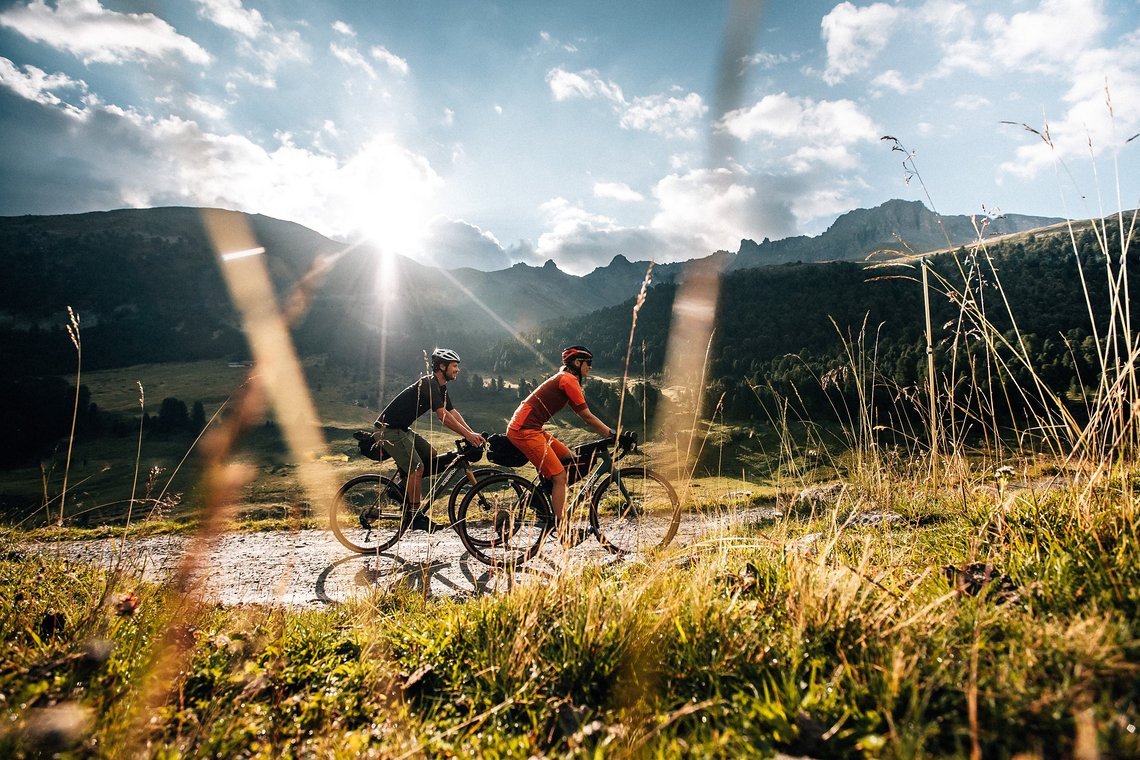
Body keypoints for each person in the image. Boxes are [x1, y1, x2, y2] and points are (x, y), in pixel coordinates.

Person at [506, 345, 616, 544]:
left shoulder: (565, 378)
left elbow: (582, 413)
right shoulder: (568, 380)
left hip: (532, 428)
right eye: (588, 363)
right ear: (577, 363)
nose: (590, 367)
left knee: (570, 459)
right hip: (524, 430)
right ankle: (563, 531)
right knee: (560, 476)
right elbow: (586, 416)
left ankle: (541, 502)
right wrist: (612, 434)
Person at [374, 348, 485, 530]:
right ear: (442, 366)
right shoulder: (429, 384)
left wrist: (473, 434)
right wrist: (467, 435)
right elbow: (443, 416)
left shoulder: (440, 387)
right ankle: (415, 516)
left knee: (431, 454)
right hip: (388, 430)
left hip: (402, 429)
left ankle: (401, 489)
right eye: (454, 366)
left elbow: (453, 413)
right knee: (417, 467)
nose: (457, 370)